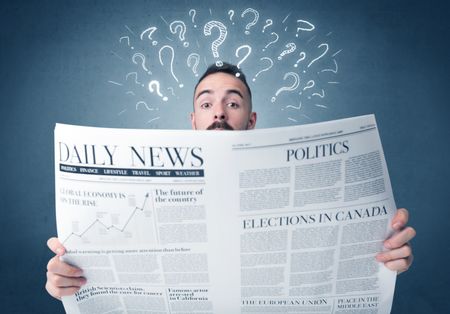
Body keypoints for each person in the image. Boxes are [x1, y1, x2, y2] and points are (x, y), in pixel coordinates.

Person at [46, 62, 416, 300]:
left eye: (232, 103)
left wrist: (385, 257)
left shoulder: (293, 189)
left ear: (251, 120)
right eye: (206, 105)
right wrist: (66, 279)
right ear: (193, 120)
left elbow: (350, 261)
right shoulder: (142, 201)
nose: (219, 113)